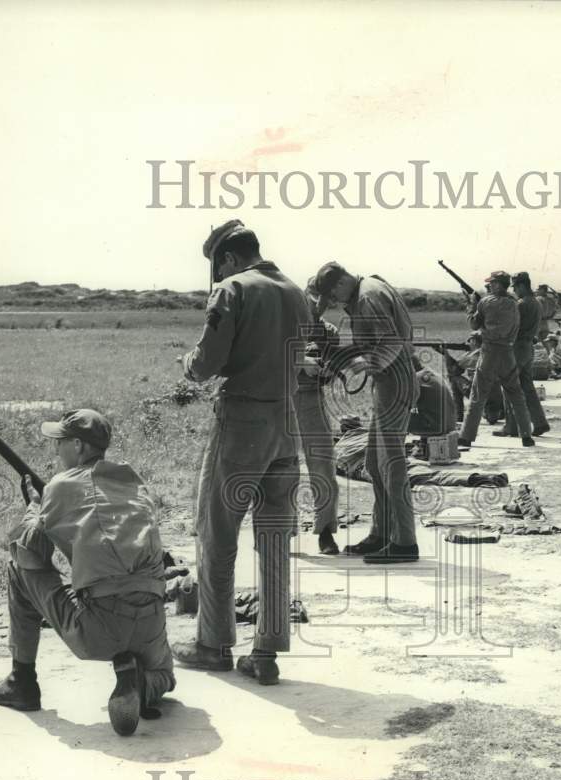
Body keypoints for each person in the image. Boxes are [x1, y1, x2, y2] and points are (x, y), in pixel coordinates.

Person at [172, 220, 310, 686]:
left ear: (227, 259)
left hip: (243, 424)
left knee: (217, 531)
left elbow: (208, 363)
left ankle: (213, 644)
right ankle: (266, 652)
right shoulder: (295, 290)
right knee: (274, 538)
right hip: (287, 425)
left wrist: (188, 366)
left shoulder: (231, 289)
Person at [0, 409, 175, 737]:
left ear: (79, 446)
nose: (56, 449)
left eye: (61, 442)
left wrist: (34, 508)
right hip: (150, 621)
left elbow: (30, 555)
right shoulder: (132, 481)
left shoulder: (60, 487)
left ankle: (22, 682)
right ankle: (141, 683)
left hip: (99, 630)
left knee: (18, 569)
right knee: (165, 676)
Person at [310, 262, 420, 564]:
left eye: (333, 297)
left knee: (391, 464)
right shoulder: (367, 289)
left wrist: (367, 364)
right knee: (374, 462)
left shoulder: (367, 297)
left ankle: (405, 543)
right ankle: (382, 533)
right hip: (389, 382)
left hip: (393, 382)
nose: (335, 304)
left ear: (341, 284)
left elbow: (391, 341)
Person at [457, 271, 535, 450]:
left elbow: (474, 324)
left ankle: (466, 437)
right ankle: (526, 436)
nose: (489, 286)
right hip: (507, 352)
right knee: (516, 394)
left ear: (499, 285)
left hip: (490, 352)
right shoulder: (514, 303)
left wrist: (471, 305)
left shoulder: (485, 302)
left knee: (478, 395)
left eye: (492, 283)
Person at [295, 281, 342, 556]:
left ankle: (325, 531)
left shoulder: (329, 332)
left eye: (325, 301)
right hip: (280, 398)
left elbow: (334, 368)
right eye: (314, 299)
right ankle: (278, 530)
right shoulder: (282, 326)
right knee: (278, 468)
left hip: (311, 399)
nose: (319, 305)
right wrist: (300, 361)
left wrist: (326, 371)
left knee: (323, 465)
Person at [498, 272, 551, 438]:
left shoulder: (521, 304)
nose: (515, 291)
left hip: (517, 348)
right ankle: (540, 422)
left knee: (509, 386)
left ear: (521, 286)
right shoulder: (536, 302)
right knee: (528, 388)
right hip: (528, 348)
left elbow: (510, 327)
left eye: (515, 287)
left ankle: (511, 427)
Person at [409, 353, 457, 438]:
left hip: (436, 426)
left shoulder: (416, 378)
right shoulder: (431, 374)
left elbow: (405, 404)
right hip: (449, 425)